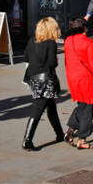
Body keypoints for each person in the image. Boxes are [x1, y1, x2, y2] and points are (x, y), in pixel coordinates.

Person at [21, 16, 65, 150]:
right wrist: (55, 59)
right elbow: (52, 63)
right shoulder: (51, 43)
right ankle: (27, 140)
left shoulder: (31, 41)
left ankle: (59, 134)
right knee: (39, 107)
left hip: (33, 77)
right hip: (45, 79)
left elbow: (26, 58)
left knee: (51, 106)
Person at [63, 16, 93, 148]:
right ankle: (82, 139)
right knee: (88, 108)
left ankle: (70, 130)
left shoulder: (68, 41)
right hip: (85, 78)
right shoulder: (88, 42)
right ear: (84, 28)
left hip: (72, 76)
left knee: (82, 104)